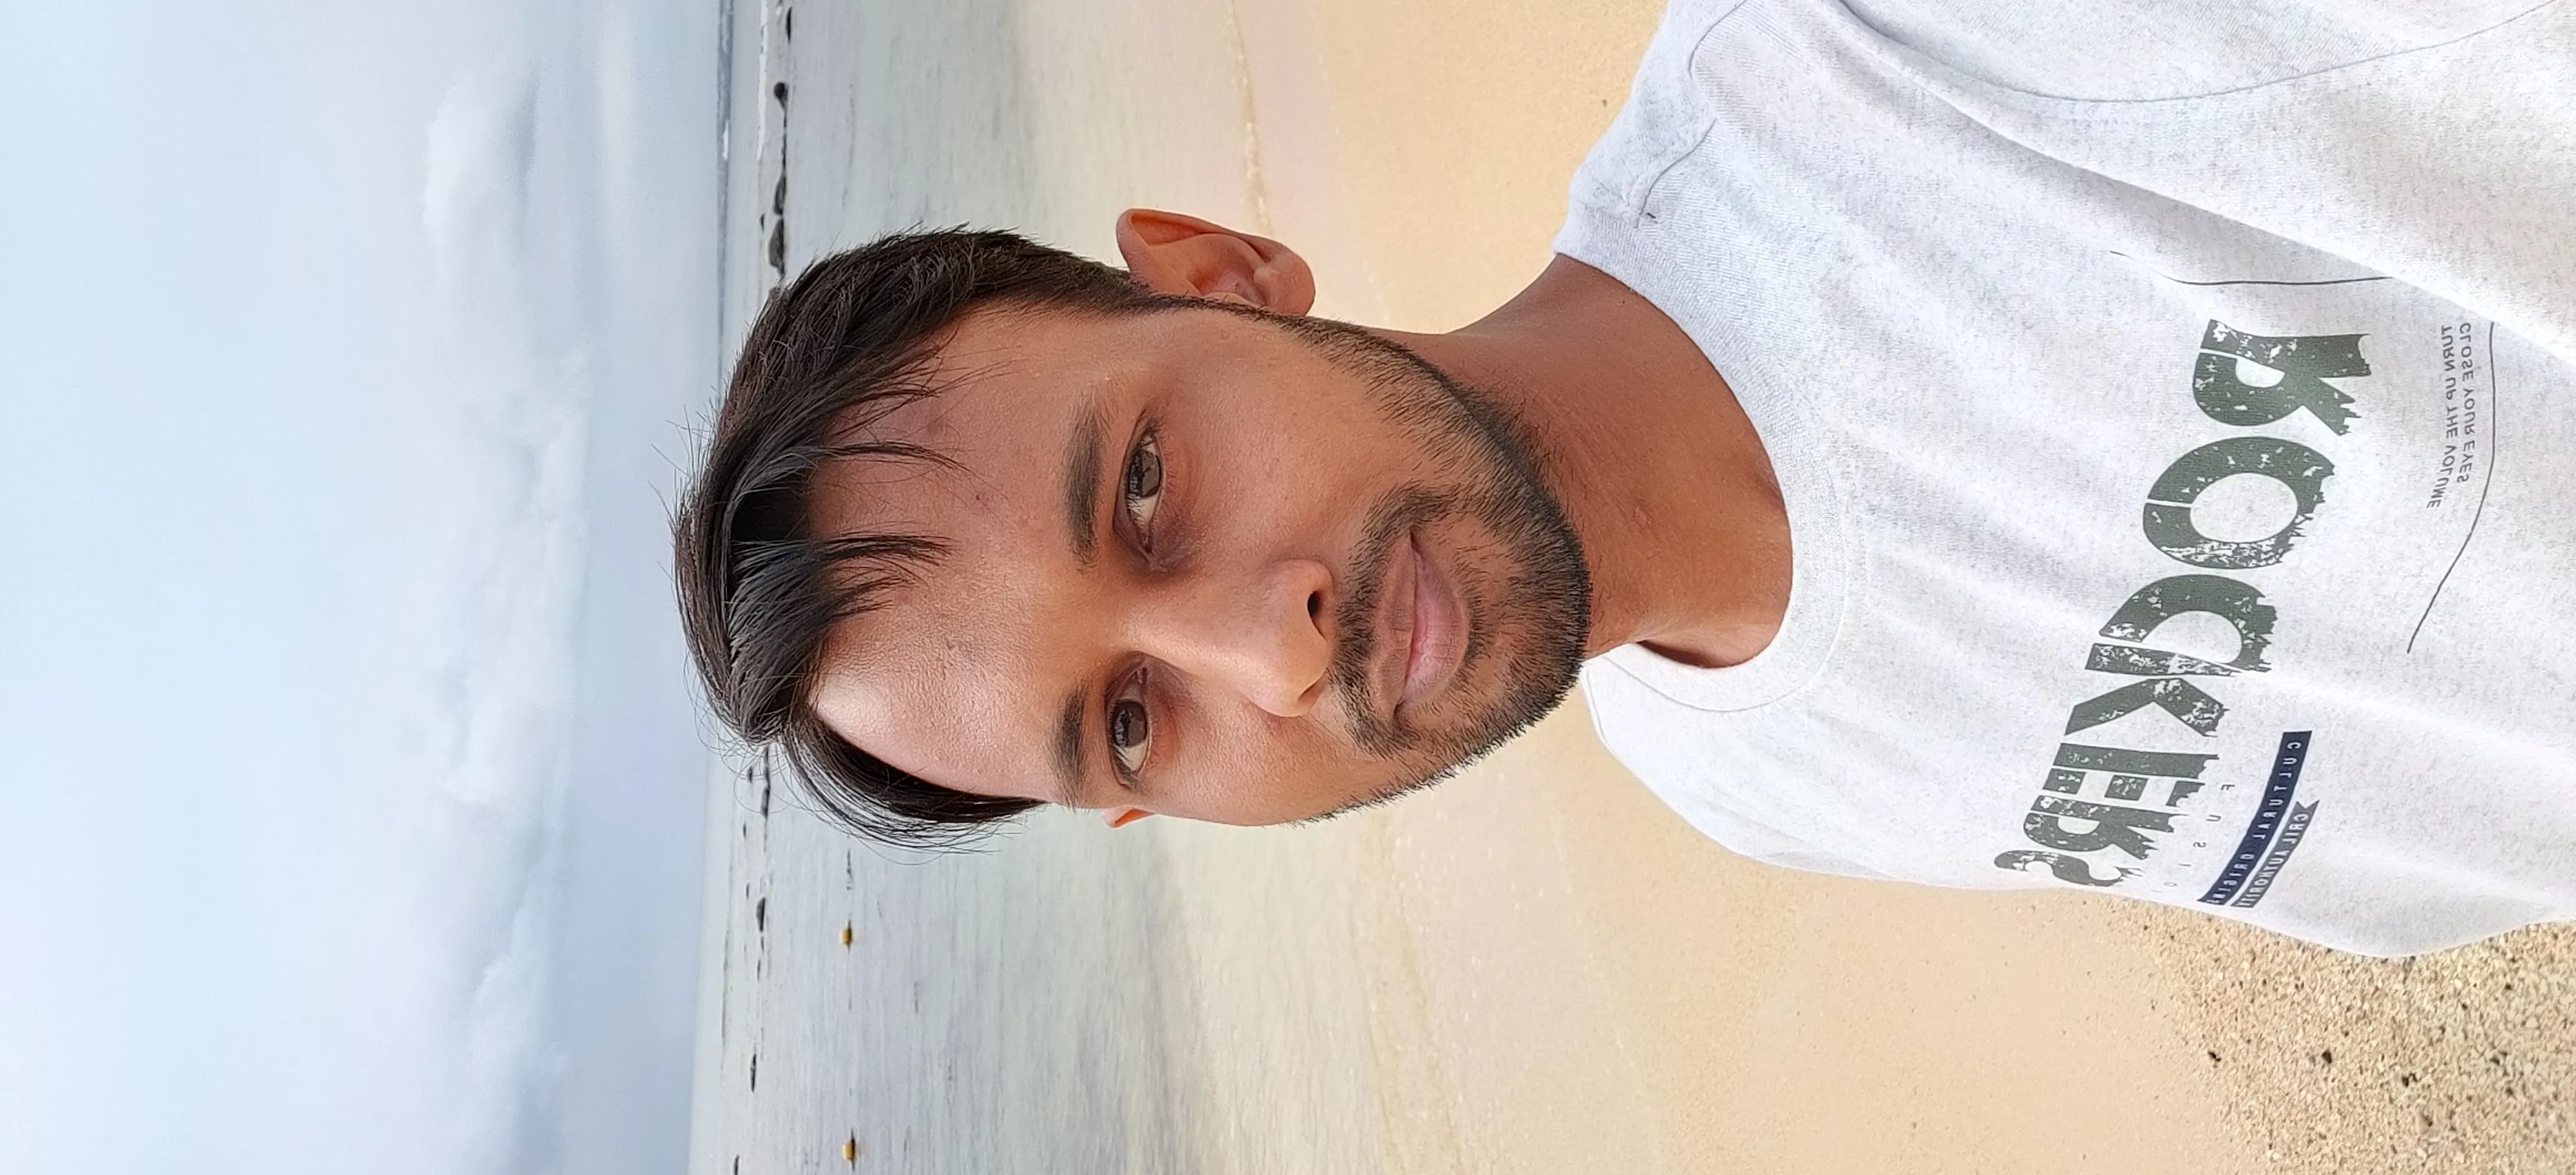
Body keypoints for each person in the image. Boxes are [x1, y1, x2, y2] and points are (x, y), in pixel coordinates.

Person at [675, 0, 2576, 957]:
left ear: (1217, 273)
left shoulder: (1899, 59)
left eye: (1147, 484)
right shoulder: (1754, 781)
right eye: (1130, 720)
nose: (1273, 650)